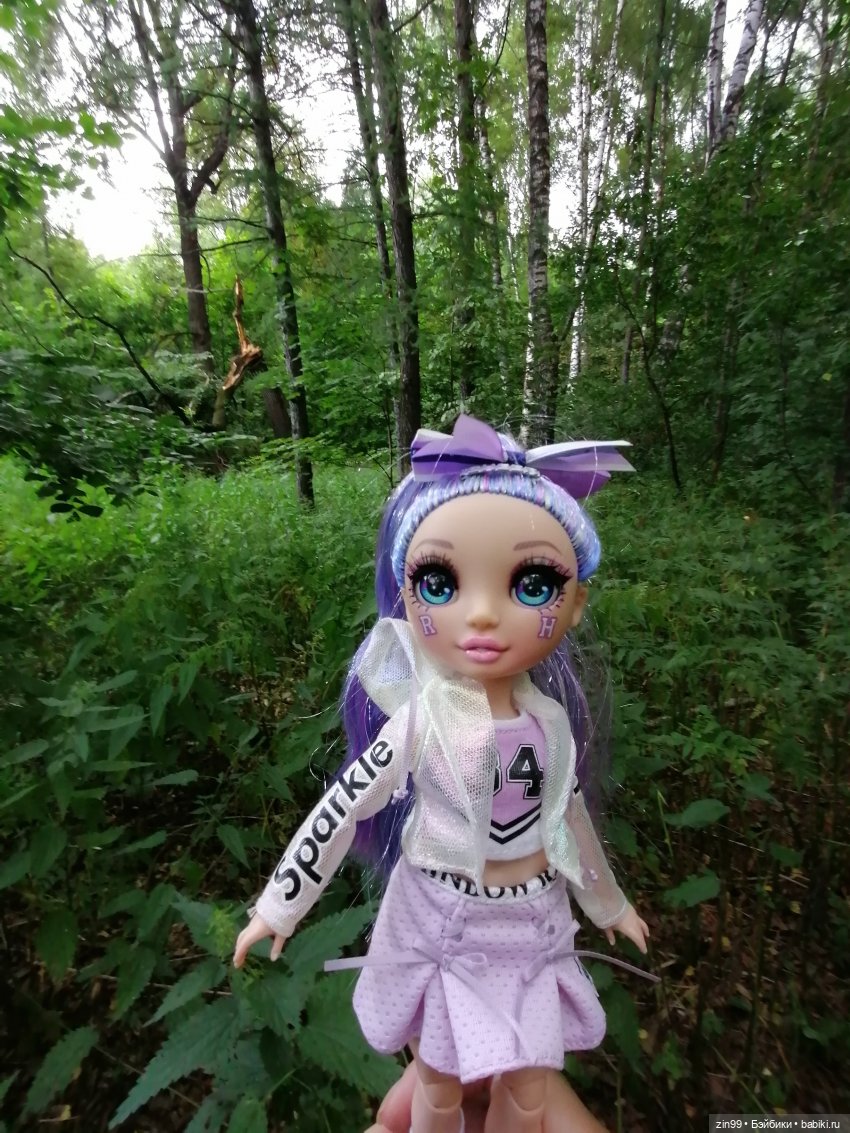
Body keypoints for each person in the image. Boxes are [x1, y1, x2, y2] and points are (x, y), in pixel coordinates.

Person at [234, 415, 652, 1133]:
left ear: (576, 602)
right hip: (440, 922)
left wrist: (608, 905)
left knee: (528, 1087)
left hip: (533, 922)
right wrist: (282, 902)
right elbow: (342, 807)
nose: (482, 614)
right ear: (406, 592)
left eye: (532, 583)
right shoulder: (419, 724)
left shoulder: (550, 725)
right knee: (437, 1083)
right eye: (440, 581)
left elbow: (568, 820)